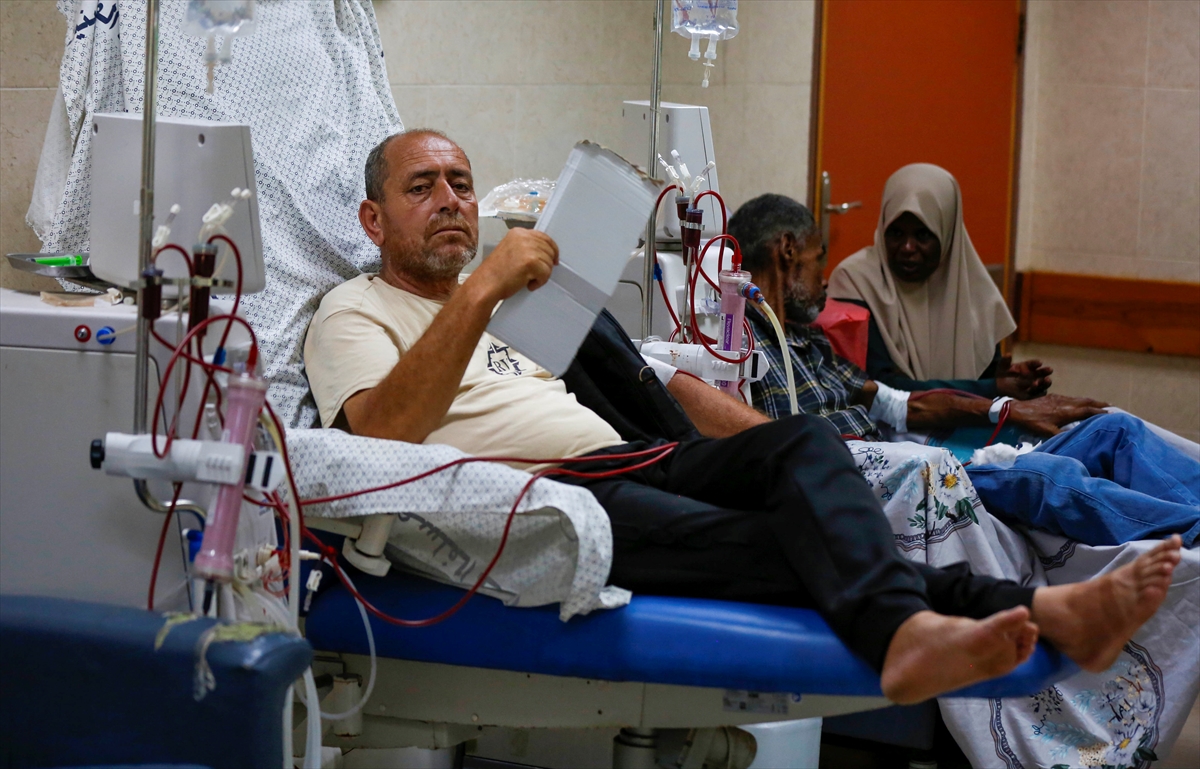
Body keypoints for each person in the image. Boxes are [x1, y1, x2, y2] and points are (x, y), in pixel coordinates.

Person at [302, 129, 1181, 705]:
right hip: (552, 501)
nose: (452, 199)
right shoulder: (354, 311)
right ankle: (1024, 609)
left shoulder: (514, 308)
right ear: (374, 219)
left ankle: (928, 627)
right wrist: (483, 285)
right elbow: (379, 439)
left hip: (636, 456)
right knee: (789, 546)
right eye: (423, 187)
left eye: (461, 183)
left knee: (802, 443)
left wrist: (509, 288)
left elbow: (632, 376)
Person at [727, 193, 1200, 547]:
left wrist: (1005, 408)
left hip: (918, 457)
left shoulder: (808, 342)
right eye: (818, 259)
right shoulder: (738, 342)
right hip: (888, 480)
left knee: (1112, 430)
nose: (824, 277)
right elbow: (767, 448)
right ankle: (1192, 533)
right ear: (787, 249)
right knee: (1047, 478)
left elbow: (899, 403)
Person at [827, 163, 1050, 398]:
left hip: (965, 416)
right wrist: (989, 388)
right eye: (896, 233)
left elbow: (985, 380)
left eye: (923, 234)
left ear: (948, 234)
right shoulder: (855, 281)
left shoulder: (972, 288)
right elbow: (878, 386)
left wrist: (1006, 381)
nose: (907, 247)